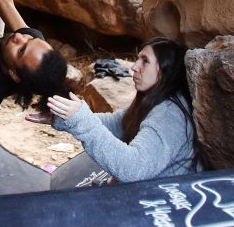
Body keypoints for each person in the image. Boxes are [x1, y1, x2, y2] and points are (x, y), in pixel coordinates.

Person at [28, 38, 199, 183]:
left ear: (166, 71)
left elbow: (133, 169)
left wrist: (81, 120)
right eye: (138, 58)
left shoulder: (169, 115)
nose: (134, 67)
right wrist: (65, 118)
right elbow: (118, 124)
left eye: (145, 61)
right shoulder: (155, 100)